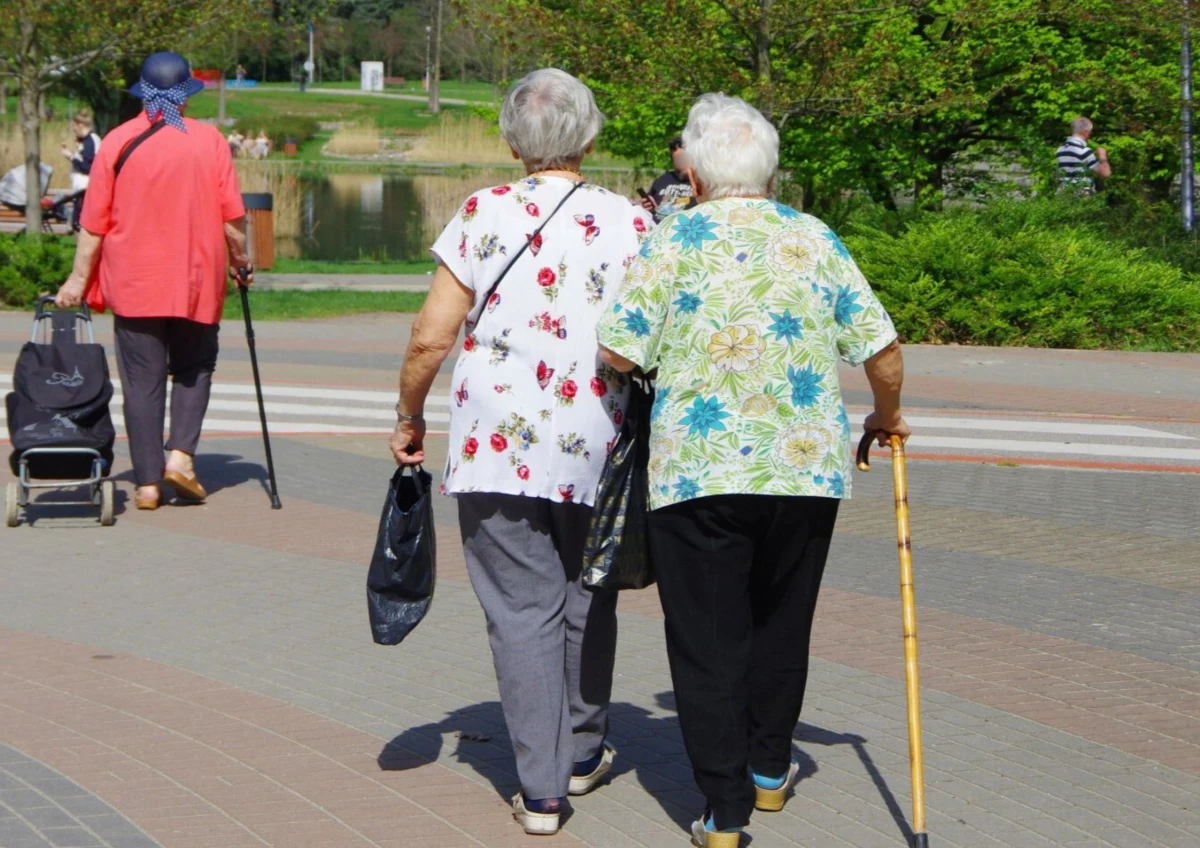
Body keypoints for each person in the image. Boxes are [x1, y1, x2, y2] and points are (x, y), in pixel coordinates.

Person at [597, 93, 909, 848]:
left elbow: (619, 351)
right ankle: (770, 771)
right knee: (781, 618)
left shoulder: (673, 240)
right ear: (770, 171)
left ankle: (725, 810)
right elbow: (883, 348)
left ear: (696, 177)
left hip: (698, 473)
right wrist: (884, 416)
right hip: (802, 470)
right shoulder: (814, 237)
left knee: (706, 638)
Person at [388, 68, 653, 837]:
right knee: (585, 589)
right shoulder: (631, 222)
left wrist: (408, 412)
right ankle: (582, 749)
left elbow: (432, 333)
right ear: (593, 137)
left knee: (520, 608)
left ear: (510, 141)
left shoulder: (482, 212)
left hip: (497, 441)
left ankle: (542, 790)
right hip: (597, 438)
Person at [54, 51, 253, 511]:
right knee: (195, 367)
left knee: (141, 381)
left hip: (135, 280)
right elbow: (232, 220)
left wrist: (77, 280)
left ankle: (146, 484)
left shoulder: (118, 142)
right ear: (184, 96)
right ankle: (180, 457)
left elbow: (94, 224)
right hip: (197, 278)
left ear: (143, 93)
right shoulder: (209, 142)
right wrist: (240, 262)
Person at [61, 108, 101, 233]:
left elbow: (89, 168)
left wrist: (71, 157)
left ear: (80, 125)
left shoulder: (90, 142)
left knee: (80, 226)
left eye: (74, 126)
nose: (73, 129)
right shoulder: (87, 141)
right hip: (81, 191)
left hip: (85, 191)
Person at [639, 135, 695, 222]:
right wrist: (647, 207)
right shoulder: (663, 180)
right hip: (658, 229)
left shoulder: (701, 183)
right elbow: (652, 207)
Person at [1056, 117, 1111, 193]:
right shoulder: (1083, 151)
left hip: (1064, 194)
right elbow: (1105, 173)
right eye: (1090, 132)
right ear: (1085, 132)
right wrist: (1102, 156)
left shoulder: (1060, 150)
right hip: (1081, 195)